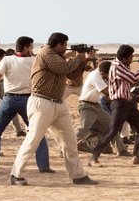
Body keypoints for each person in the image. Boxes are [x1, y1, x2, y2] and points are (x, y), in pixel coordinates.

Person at [9, 32, 96, 186]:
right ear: (59, 44)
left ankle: (78, 175)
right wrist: (78, 58)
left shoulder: (58, 56)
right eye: (65, 46)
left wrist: (82, 62)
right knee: (32, 140)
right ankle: (16, 174)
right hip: (41, 102)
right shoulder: (45, 53)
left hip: (58, 103)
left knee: (69, 142)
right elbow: (63, 68)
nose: (66, 49)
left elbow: (73, 75)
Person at [0, 36, 52, 174]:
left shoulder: (7, 59)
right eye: (31, 47)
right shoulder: (34, 61)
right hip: (28, 100)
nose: (32, 50)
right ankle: (43, 166)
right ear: (25, 47)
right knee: (37, 132)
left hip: (9, 100)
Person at [89, 45, 139, 167]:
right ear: (124, 58)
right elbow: (132, 77)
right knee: (112, 131)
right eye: (130, 57)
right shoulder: (116, 67)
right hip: (120, 103)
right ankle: (94, 156)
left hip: (127, 103)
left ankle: (138, 156)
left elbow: (131, 82)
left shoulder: (123, 66)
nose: (131, 59)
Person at [76, 60, 129, 157]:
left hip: (96, 106)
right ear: (102, 73)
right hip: (87, 106)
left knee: (112, 126)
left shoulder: (100, 76)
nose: (108, 77)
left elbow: (108, 96)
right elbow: (106, 91)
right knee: (83, 129)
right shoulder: (95, 76)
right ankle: (67, 148)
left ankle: (121, 150)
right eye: (107, 75)